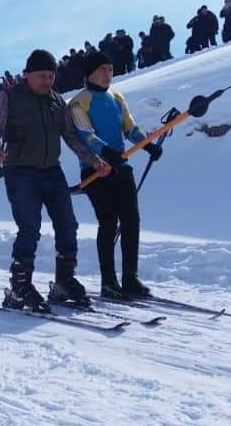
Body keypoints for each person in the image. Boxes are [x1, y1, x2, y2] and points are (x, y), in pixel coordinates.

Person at [0, 49, 109, 312]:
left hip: (52, 170)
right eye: (41, 76)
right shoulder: (8, 97)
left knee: (67, 224)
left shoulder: (56, 101)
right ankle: (20, 285)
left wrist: (93, 159)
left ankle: (64, 281)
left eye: (51, 76)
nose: (47, 82)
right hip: (20, 172)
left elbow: (71, 136)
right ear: (27, 74)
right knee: (29, 228)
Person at [68, 52, 161, 299]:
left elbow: (129, 128)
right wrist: (106, 152)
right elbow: (85, 134)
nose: (108, 74)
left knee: (131, 220)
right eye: (102, 69)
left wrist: (147, 145)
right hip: (96, 169)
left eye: (110, 69)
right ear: (89, 73)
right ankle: (108, 283)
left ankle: (130, 278)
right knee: (108, 222)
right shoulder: (79, 102)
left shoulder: (117, 97)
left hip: (121, 166)